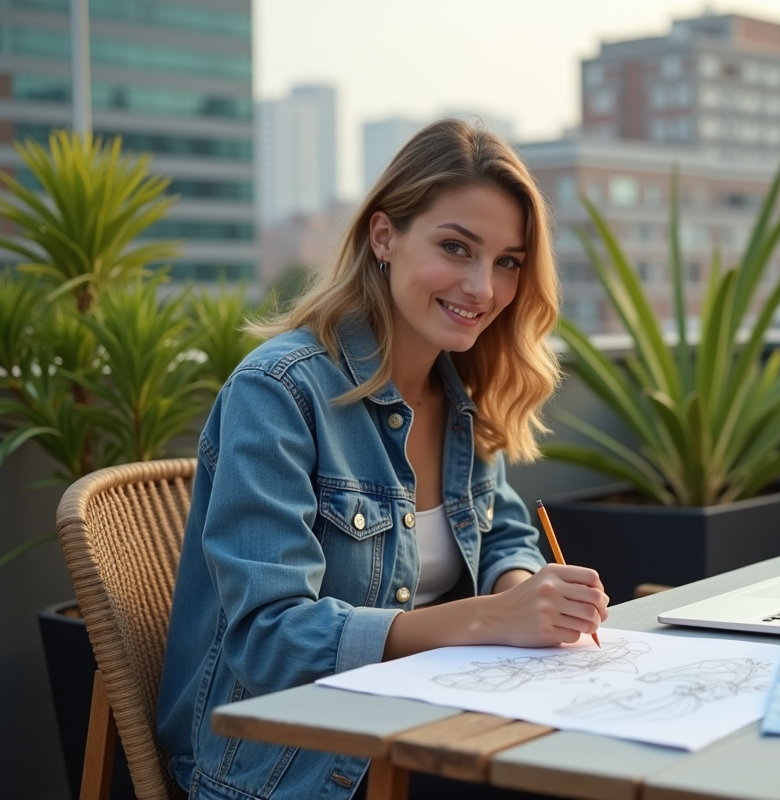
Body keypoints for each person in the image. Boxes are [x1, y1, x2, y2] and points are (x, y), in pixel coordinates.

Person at [157, 118, 609, 800]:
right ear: (384, 236)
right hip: (292, 769)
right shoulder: (278, 393)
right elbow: (267, 638)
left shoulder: (461, 390)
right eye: (456, 248)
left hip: (431, 736)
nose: (483, 289)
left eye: (508, 262)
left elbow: (504, 534)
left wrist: (526, 590)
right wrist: (490, 619)